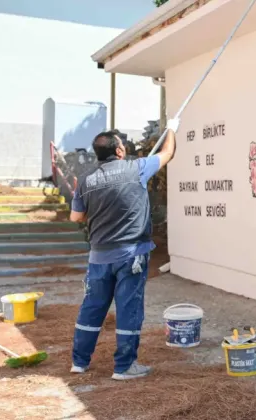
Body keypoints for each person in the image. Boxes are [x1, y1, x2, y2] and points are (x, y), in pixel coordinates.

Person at [69, 118, 180, 380]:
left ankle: (79, 362)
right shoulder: (136, 169)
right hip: (131, 255)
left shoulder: (86, 181)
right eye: (123, 146)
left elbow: (76, 217)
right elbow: (168, 153)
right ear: (119, 151)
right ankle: (124, 367)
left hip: (99, 257)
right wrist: (172, 129)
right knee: (129, 309)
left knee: (92, 307)